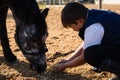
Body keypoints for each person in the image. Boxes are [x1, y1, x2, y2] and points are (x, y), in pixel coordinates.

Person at [54, 2, 120, 80]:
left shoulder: (93, 26)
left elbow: (84, 56)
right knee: (92, 50)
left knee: (91, 54)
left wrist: (65, 65)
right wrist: (67, 60)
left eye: (72, 27)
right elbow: (86, 44)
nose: (74, 30)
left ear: (79, 21)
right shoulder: (92, 15)